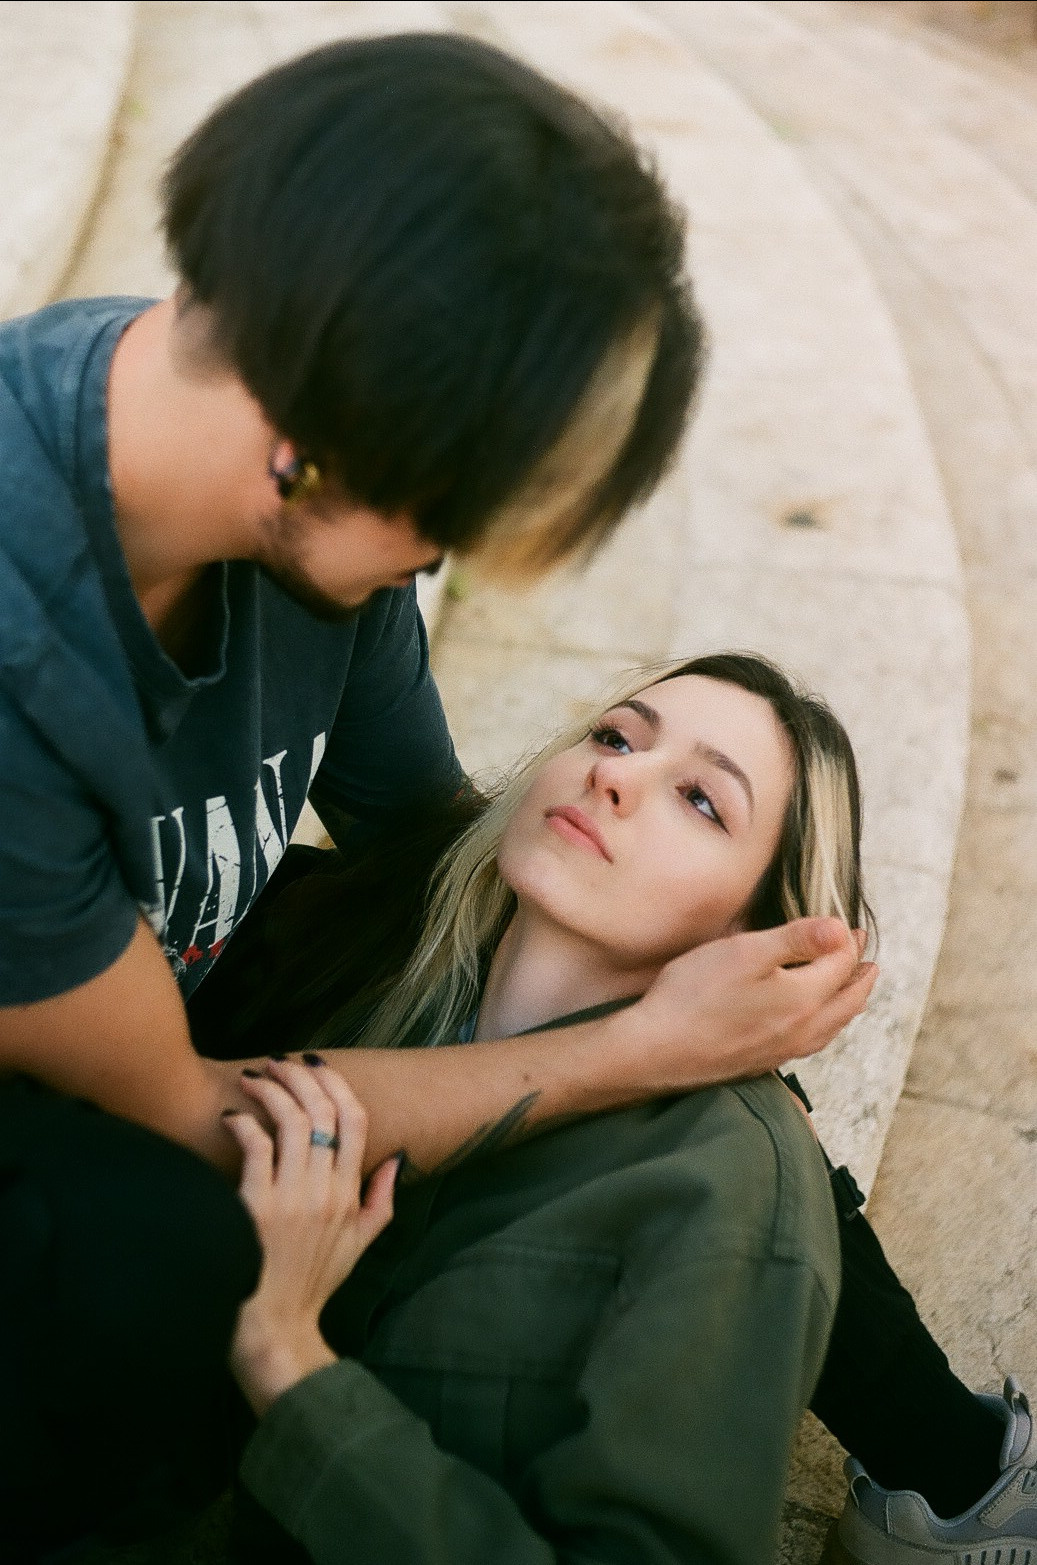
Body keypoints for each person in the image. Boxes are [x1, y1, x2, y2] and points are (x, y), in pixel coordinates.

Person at [0, 34, 876, 1559]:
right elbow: (198, 1116)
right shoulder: (25, 650)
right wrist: (636, 1046)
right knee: (178, 1259)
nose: (438, 564)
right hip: (87, 1173)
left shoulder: (282, 490)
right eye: (455, 520)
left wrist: (726, 1078)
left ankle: (950, 1453)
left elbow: (434, 833)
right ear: (332, 446)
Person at [217, 654, 1037, 1565]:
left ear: (749, 938)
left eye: (700, 800)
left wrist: (289, 1368)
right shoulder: (321, 931)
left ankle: (954, 1473)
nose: (614, 775)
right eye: (613, 736)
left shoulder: (718, 1200)